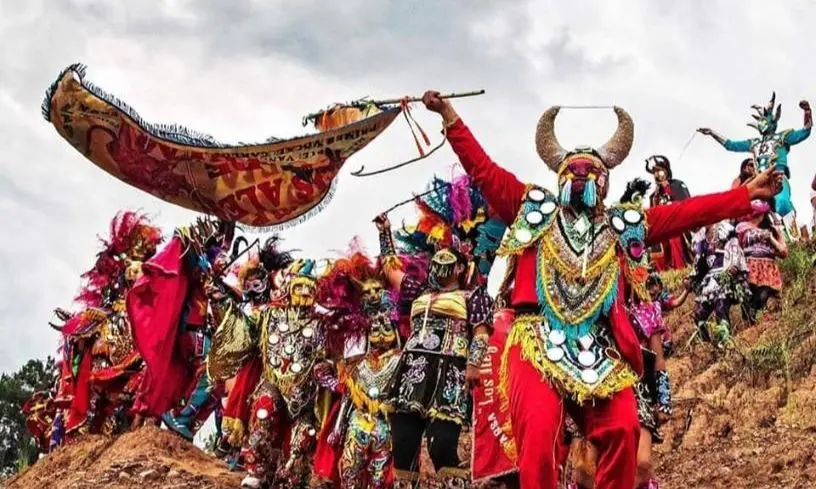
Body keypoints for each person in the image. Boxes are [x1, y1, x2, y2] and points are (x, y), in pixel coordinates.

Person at [419, 90, 782, 489]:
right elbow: (483, 170)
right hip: (535, 337)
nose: (581, 175)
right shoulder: (531, 209)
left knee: (623, 429)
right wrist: (450, 116)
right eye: (572, 170)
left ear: (605, 183)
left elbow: (685, 214)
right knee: (539, 435)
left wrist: (745, 195)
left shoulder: (622, 225)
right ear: (559, 178)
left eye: (591, 171)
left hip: (599, 343)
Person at [376, 212, 493, 489]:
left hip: (450, 373)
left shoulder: (473, 295)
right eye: (437, 257)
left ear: (461, 267)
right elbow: (392, 271)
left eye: (447, 257)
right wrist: (384, 232)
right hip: (410, 374)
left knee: (442, 444)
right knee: (403, 445)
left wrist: (473, 365)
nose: (440, 261)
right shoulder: (419, 292)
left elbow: (481, 333)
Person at [312, 248, 403, 489]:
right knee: (351, 461)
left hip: (388, 415)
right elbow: (329, 368)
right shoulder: (354, 347)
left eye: (377, 290)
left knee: (381, 469)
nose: (373, 295)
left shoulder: (400, 344)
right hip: (358, 411)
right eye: (367, 291)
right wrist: (338, 383)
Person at [698, 94, 812, 240]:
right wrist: (713, 133)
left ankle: (795, 240)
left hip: (778, 177)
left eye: (765, 120)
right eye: (760, 121)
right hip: (760, 182)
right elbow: (731, 145)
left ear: (773, 121)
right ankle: (757, 240)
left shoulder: (782, 137)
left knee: (783, 204)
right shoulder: (754, 143)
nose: (761, 123)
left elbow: (805, 131)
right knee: (754, 210)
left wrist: (807, 111)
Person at [689, 222, 749, 348]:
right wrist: (691, 278)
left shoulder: (724, 228)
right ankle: (706, 347)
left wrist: (733, 264)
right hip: (709, 282)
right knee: (698, 314)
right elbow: (699, 264)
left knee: (720, 309)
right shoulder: (699, 238)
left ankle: (726, 344)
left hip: (724, 275)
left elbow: (734, 246)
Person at [736, 201, 788, 324]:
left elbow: (783, 252)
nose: (755, 215)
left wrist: (774, 235)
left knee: (763, 299)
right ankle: (751, 324)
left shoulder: (771, 230)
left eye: (758, 213)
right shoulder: (742, 228)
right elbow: (738, 249)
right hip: (750, 271)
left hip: (767, 272)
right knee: (749, 304)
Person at [645, 155, 692, 272]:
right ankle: (666, 273)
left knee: (675, 239)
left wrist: (672, 204)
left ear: (666, 170)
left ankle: (682, 270)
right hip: (663, 229)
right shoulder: (654, 196)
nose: (657, 174)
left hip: (679, 226)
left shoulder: (677, 185)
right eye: (654, 172)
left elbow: (687, 203)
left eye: (659, 170)